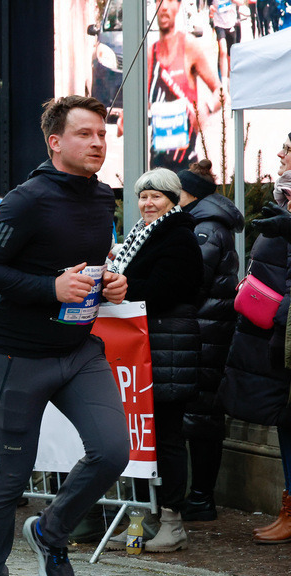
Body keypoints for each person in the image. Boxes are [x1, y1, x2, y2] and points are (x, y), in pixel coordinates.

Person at [0, 95, 130, 576]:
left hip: (78, 351)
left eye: (102, 134)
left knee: (112, 451)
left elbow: (88, 264)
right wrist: (49, 289)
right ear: (55, 142)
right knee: (11, 477)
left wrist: (112, 285)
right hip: (18, 354)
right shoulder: (27, 199)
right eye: (85, 134)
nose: (97, 143)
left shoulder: (103, 198)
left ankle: (50, 530)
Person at [109, 168, 203, 552]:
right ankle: (141, 518)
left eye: (156, 197)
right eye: (143, 197)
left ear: (173, 199)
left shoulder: (178, 236)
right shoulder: (141, 234)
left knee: (165, 436)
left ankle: (172, 521)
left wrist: (123, 286)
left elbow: (170, 289)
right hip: (145, 347)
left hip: (168, 348)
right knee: (140, 437)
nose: (147, 204)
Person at [224, 132, 291, 543]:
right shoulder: (283, 199)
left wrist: (277, 309)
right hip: (274, 340)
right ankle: (289, 506)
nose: (282, 153)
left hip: (281, 331)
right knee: (286, 424)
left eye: (289, 148)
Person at [178, 159, 243, 521]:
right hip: (207, 330)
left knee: (202, 417)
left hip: (204, 333)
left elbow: (192, 282)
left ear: (188, 193)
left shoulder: (204, 229)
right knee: (201, 416)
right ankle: (200, 496)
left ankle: (201, 498)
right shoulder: (206, 224)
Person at [134, 0, 222, 171]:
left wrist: (207, 108)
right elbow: (144, 101)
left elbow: (220, 91)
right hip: (157, 162)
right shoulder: (151, 54)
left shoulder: (189, 46)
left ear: (178, 5)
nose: (164, 6)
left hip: (186, 161)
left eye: (169, 0)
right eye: (159, 1)